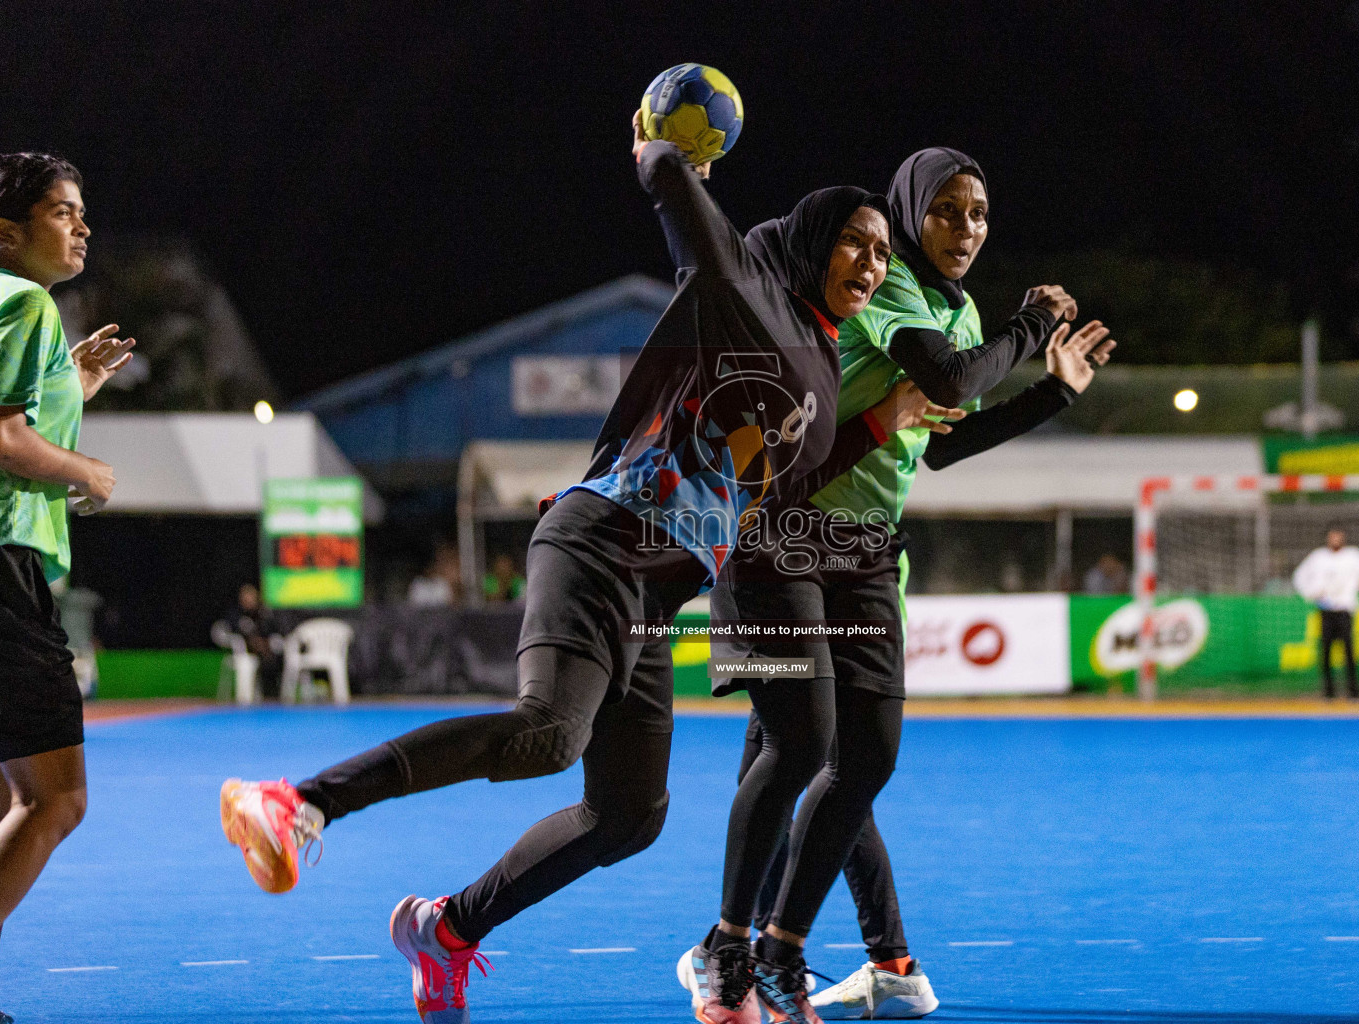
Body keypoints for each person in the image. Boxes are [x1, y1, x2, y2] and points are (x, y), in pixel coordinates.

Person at [219, 119, 956, 1024]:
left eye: (884, 250)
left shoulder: (821, 369)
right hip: (602, 536)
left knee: (629, 814)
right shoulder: (741, 288)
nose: (874, 261)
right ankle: (299, 801)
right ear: (812, 237)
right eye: (855, 238)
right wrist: (668, 146)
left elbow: (797, 470)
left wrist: (893, 419)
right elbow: (665, 182)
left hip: (656, 590)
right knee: (548, 735)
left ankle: (446, 931)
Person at [681, 147, 1114, 1023]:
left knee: (850, 759)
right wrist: (1029, 331)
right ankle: (752, 951)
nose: (965, 229)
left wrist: (1050, 395)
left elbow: (941, 436)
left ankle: (782, 949)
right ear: (910, 211)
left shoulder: (953, 311)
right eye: (947, 211)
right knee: (802, 751)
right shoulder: (889, 288)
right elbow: (951, 381)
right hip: (785, 540)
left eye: (980, 215)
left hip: (866, 552)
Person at [0, 152, 135, 1024]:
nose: (81, 225)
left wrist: (72, 385)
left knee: (2, 810)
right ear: (5, 232)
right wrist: (91, 471)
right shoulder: (23, 301)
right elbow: (5, 444)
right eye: (62, 212)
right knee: (56, 799)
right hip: (1, 574)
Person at [1293, 528, 1359, 699]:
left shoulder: (1353, 556)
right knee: (1326, 651)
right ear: (1328, 538)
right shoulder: (1318, 557)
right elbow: (1299, 577)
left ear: (1343, 537)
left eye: (1338, 536)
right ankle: (1328, 693)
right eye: (1332, 536)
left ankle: (1354, 692)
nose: (1335, 539)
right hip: (1326, 610)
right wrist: (1311, 593)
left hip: (1345, 610)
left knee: (1348, 651)